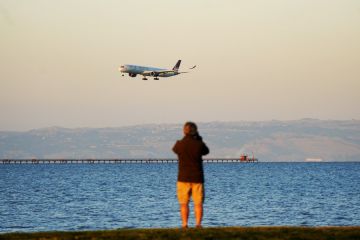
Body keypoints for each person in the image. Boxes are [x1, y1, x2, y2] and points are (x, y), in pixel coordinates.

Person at [172, 122, 209, 228]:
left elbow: (175, 150)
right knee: (198, 203)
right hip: (197, 177)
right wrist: (199, 139)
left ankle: (184, 224)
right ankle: (198, 224)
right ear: (195, 131)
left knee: (183, 203)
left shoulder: (179, 144)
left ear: (184, 131)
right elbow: (206, 151)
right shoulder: (199, 144)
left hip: (183, 177)